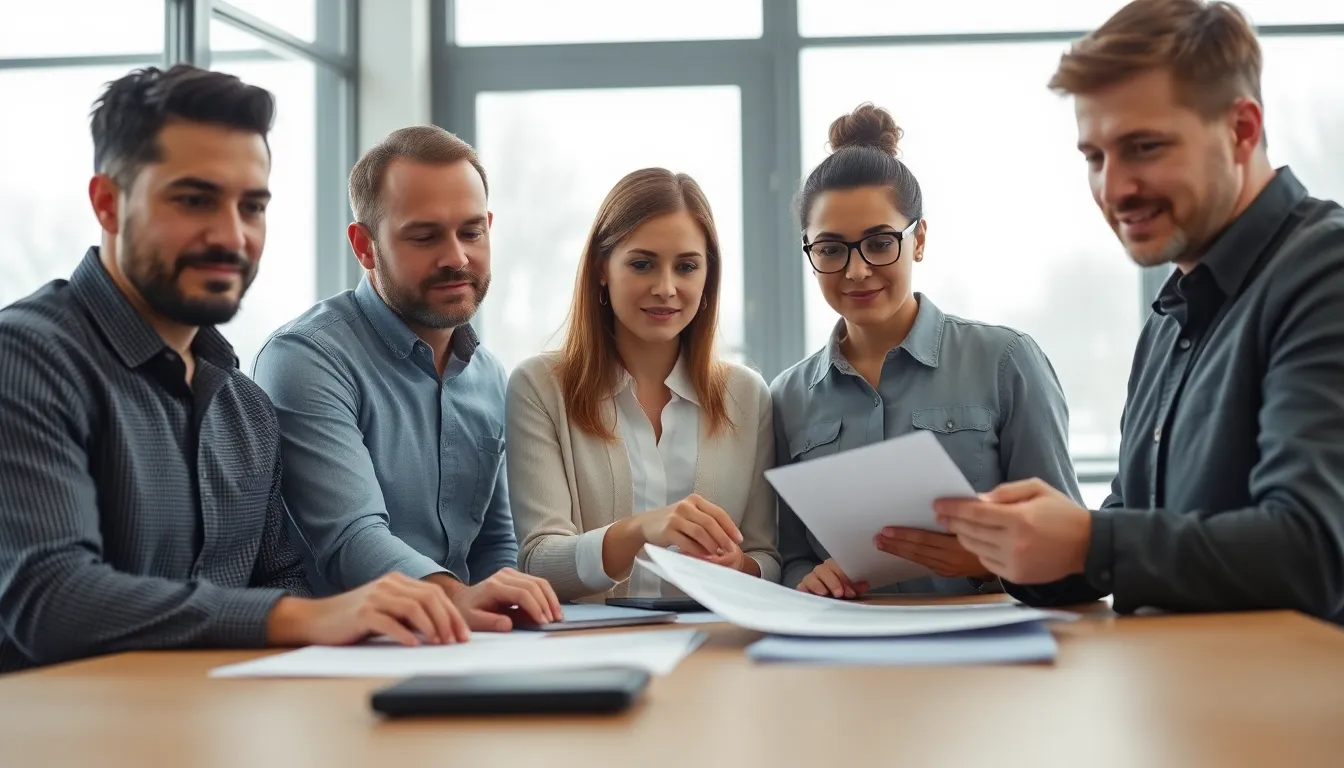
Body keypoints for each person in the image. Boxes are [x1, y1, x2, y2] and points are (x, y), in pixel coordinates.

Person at [0, 66, 475, 674]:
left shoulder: (242, 405)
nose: (231, 235)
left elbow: (282, 580)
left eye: (251, 206)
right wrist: (298, 619)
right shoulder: (30, 358)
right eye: (194, 200)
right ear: (108, 204)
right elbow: (52, 599)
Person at [934, 0, 1344, 622]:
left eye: (1144, 147)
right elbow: (1137, 527)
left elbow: (1310, 551)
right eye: (1095, 158)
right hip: (1186, 701)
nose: (1115, 189)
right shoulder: (1169, 316)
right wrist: (1021, 547)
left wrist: (1085, 541)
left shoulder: (1326, 271)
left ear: (1242, 129)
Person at [252, 126, 562, 631]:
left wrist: (516, 608)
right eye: (424, 236)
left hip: (458, 645)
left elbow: (495, 542)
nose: (456, 258)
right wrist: (455, 600)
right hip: (344, 656)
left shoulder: (488, 375)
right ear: (365, 246)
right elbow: (350, 539)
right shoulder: (306, 358)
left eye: (471, 232)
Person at [772, 103, 1083, 599]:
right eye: (830, 249)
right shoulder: (785, 397)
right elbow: (790, 556)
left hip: (986, 655)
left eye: (879, 243)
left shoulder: (1006, 362)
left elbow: (1073, 554)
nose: (856, 271)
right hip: (840, 657)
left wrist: (987, 562)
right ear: (809, 253)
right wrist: (804, 578)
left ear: (918, 239)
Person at [507, 168, 780, 602]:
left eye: (687, 266)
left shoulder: (748, 395)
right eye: (642, 264)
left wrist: (740, 567)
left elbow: (766, 556)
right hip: (590, 650)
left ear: (708, 276)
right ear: (602, 268)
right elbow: (539, 563)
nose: (666, 288)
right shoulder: (539, 388)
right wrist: (642, 529)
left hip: (714, 651)